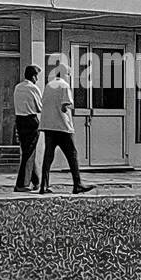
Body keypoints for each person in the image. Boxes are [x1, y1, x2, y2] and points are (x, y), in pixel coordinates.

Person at [39, 60, 93, 194]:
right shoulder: (64, 85)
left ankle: (43, 186)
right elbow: (65, 104)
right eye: (69, 74)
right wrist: (68, 108)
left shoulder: (49, 85)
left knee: (48, 156)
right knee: (72, 154)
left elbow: (44, 103)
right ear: (64, 74)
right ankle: (77, 184)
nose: (69, 76)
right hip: (62, 126)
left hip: (48, 126)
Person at [12, 64, 42, 191]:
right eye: (37, 76)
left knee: (28, 150)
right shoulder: (33, 88)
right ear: (33, 76)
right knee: (29, 152)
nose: (37, 79)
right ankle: (21, 184)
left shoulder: (17, 87)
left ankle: (36, 181)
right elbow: (39, 107)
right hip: (30, 120)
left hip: (19, 120)